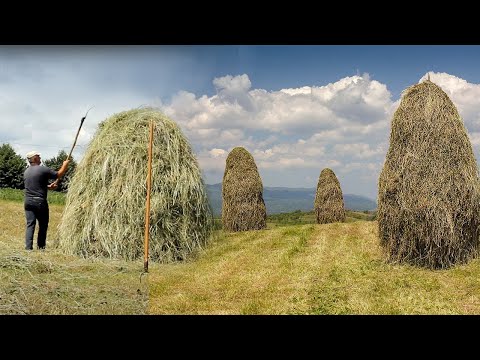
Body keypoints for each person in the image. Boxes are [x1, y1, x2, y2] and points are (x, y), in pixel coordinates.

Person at [23, 151, 70, 250]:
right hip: (39, 202)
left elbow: (35, 186)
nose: (40, 157)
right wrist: (64, 165)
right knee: (43, 225)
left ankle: (28, 249)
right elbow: (58, 174)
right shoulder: (42, 169)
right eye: (38, 156)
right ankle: (41, 248)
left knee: (30, 224)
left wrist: (48, 187)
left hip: (28, 202)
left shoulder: (27, 171)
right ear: (34, 158)